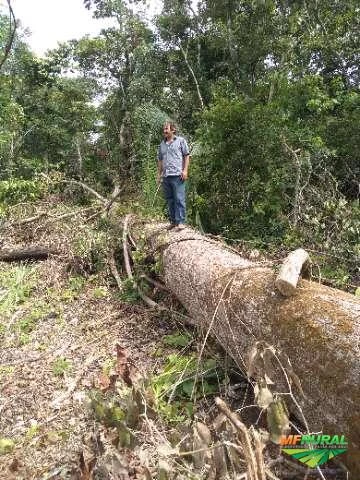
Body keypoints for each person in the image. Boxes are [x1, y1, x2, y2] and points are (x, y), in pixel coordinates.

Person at [157, 122, 190, 231]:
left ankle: (180, 222)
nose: (165, 131)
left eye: (166, 129)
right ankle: (173, 221)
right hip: (166, 176)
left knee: (179, 199)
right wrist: (159, 175)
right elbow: (160, 160)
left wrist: (185, 170)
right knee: (170, 200)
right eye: (164, 129)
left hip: (177, 175)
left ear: (173, 130)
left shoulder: (180, 141)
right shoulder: (162, 144)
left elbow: (186, 156)